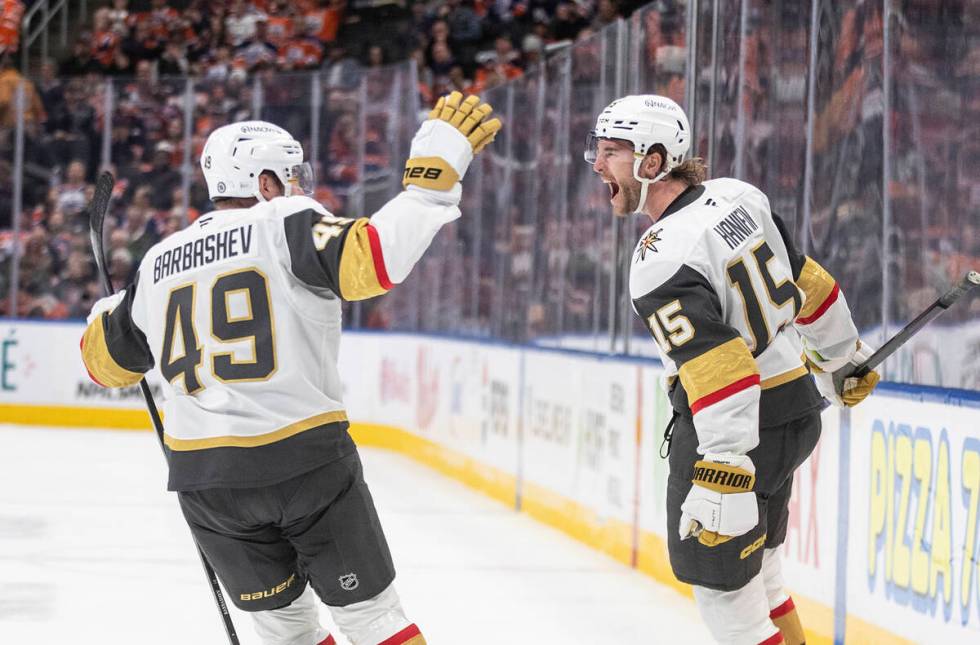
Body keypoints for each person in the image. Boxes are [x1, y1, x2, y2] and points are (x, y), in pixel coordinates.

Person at [79, 91, 500, 645]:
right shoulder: (285, 220)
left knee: (285, 631)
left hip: (207, 485)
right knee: (373, 620)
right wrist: (428, 186)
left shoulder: (159, 260)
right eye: (291, 175)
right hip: (304, 463)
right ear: (265, 184)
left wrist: (107, 311)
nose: (301, 185)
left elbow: (105, 366)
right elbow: (372, 260)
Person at [586, 95, 879, 645]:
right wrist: (842, 355)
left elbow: (721, 369)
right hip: (793, 414)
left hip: (740, 436)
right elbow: (805, 280)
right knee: (764, 577)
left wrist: (722, 466)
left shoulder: (660, 257)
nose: (598, 165)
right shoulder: (738, 197)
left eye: (611, 153)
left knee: (731, 608)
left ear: (652, 163)